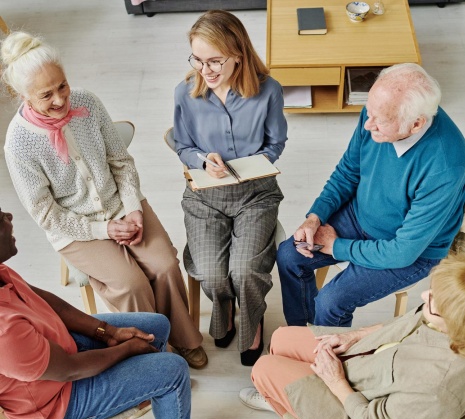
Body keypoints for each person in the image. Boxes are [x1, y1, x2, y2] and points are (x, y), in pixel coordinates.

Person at [1, 31, 207, 369]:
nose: (60, 100)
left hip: (120, 204)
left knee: (165, 264)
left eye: (62, 86)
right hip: (77, 228)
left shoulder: (88, 103)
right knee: (131, 283)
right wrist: (106, 229)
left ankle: (184, 340)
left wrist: (133, 209)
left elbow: (121, 162)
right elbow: (46, 213)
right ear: (22, 95)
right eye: (46, 94)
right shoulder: (19, 144)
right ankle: (154, 353)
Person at [0, 207, 226, 419]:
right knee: (174, 369)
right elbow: (70, 369)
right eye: (0, 218)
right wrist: (126, 348)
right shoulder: (4, 331)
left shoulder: (1, 273)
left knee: (157, 324)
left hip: (60, 350)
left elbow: (52, 306)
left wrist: (107, 331)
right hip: (57, 403)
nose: (9, 216)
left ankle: (151, 393)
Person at [240, 253, 465, 419]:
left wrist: (335, 380)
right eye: (432, 289)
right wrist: (356, 335)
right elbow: (404, 323)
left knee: (263, 370)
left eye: (434, 301)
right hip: (369, 361)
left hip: (361, 417)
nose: (425, 295)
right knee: (280, 339)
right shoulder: (446, 318)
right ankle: (286, 402)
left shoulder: (439, 386)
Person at [277, 63, 465, 328]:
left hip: (409, 250)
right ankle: (300, 335)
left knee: (331, 301)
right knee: (289, 256)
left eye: (380, 120)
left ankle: (325, 359)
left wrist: (336, 246)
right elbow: (348, 172)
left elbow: (403, 252)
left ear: (416, 124)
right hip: (361, 216)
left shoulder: (445, 166)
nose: (368, 123)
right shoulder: (378, 112)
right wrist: (315, 217)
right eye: (369, 111)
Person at [174, 10, 288, 366]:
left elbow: (276, 143)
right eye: (197, 59)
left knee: (245, 270)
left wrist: (251, 164)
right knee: (210, 271)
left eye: (214, 61)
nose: (204, 70)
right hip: (205, 197)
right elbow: (181, 145)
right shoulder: (185, 93)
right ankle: (224, 312)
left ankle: (252, 322)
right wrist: (200, 159)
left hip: (256, 194)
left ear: (238, 53)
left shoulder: (267, 90)